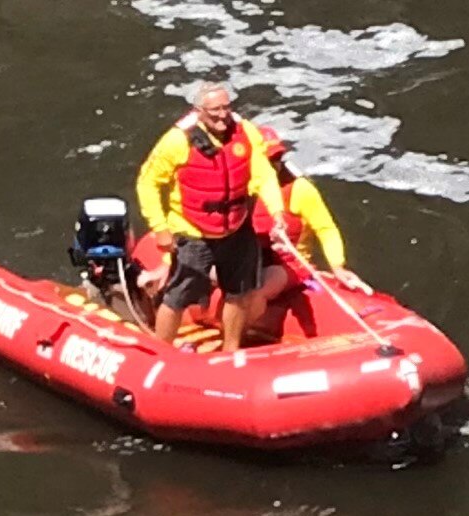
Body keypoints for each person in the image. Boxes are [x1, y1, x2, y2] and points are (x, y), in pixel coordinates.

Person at [134, 82, 357, 353]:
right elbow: (147, 182)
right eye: (214, 110)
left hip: (236, 231)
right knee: (179, 295)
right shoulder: (177, 140)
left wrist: (277, 212)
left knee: (239, 293)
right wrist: (160, 229)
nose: (222, 115)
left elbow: (263, 175)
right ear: (199, 110)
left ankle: (230, 350)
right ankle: (162, 352)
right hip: (194, 230)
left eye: (226, 108)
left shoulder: (247, 134)